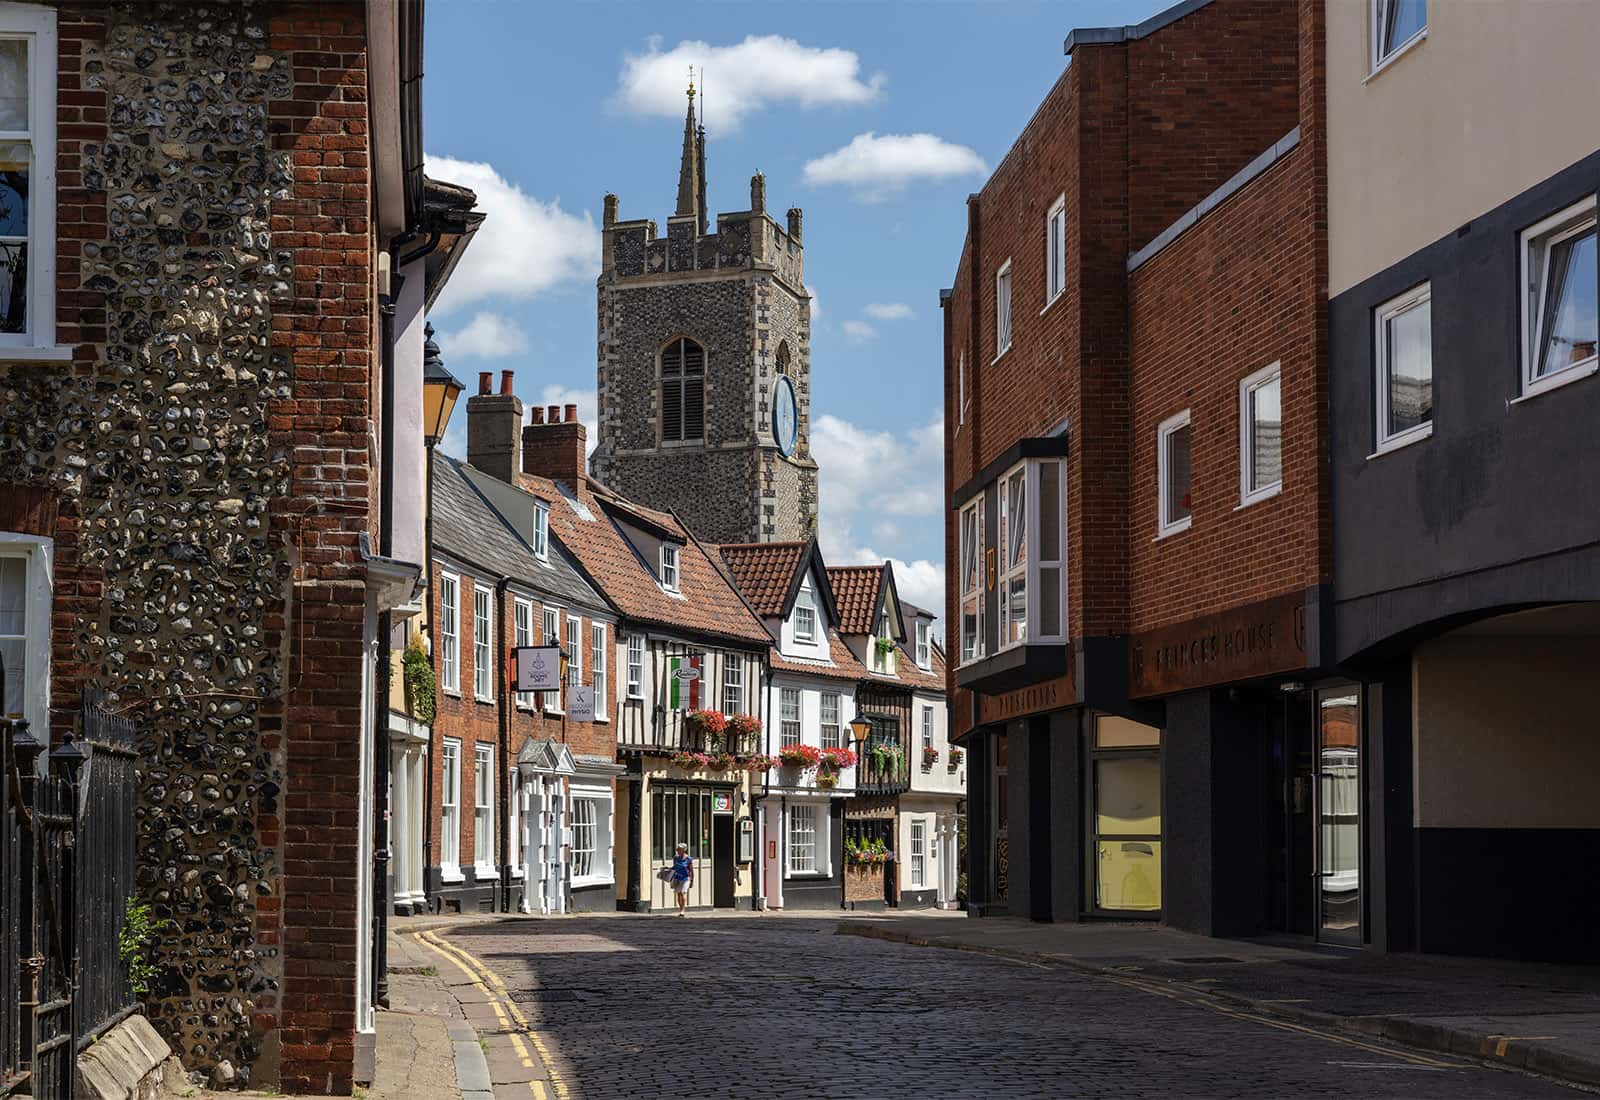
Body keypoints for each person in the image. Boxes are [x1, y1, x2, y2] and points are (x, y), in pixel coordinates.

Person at [669, 841, 694, 916]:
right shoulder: (675, 858)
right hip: (677, 878)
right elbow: (674, 867)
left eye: (679, 849)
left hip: (685, 878)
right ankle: (681, 908)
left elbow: (691, 870)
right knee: (679, 894)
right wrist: (667, 869)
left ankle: (682, 910)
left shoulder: (688, 859)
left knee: (683, 893)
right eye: (677, 849)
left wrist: (692, 880)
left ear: (683, 850)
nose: (677, 851)